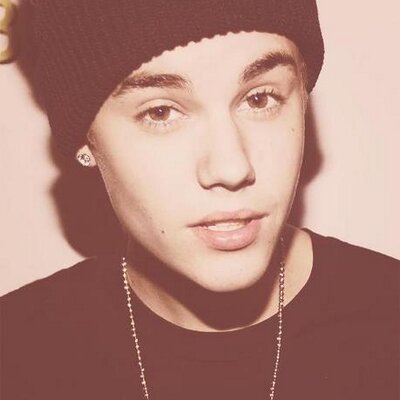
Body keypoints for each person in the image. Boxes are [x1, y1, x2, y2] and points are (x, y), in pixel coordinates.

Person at [1, 1, 398, 399]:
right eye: (160, 112)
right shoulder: (15, 355)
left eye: (260, 99)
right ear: (86, 141)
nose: (231, 167)